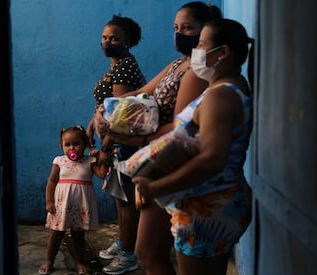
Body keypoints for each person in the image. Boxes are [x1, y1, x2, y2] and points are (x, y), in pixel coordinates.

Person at [95, 2, 223, 274]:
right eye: (176, 27)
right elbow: (143, 92)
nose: (179, 34)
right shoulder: (179, 64)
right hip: (155, 159)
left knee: (150, 252)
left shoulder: (197, 73)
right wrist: (104, 110)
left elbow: (180, 129)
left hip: (168, 161)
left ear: (206, 32)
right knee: (148, 251)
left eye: (188, 28)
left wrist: (131, 141)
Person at [132, 18, 254, 275]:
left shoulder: (221, 96)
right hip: (209, 203)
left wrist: (156, 187)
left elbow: (211, 159)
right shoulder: (226, 88)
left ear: (222, 53)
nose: (196, 52)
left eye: (200, 45)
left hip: (207, 210)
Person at [86, 15, 146, 275]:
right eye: (105, 37)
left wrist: (106, 147)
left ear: (128, 42)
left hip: (124, 144)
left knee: (128, 200)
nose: (107, 42)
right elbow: (106, 106)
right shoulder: (116, 65)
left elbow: (120, 116)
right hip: (115, 142)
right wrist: (91, 124)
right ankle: (124, 243)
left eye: (114, 38)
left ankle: (130, 254)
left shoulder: (124, 67)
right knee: (120, 198)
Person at [38, 125, 109, 275]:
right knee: (56, 234)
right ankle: (49, 260)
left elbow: (102, 174)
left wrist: (103, 158)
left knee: (78, 235)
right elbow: (51, 182)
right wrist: (49, 201)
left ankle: (80, 262)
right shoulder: (59, 161)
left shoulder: (90, 161)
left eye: (76, 144)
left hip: (80, 207)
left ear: (85, 145)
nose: (72, 148)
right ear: (61, 146)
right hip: (61, 205)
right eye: (67, 145)